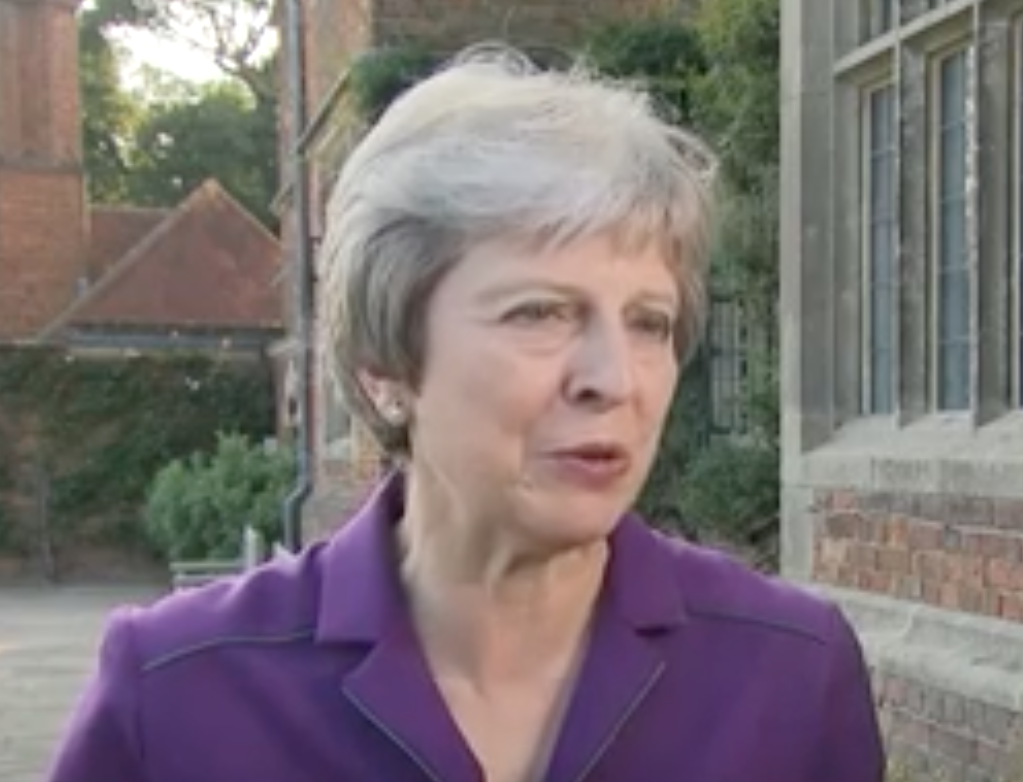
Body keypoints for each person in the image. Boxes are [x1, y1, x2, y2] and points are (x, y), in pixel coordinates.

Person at [46, 44, 885, 782]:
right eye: (539, 313)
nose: (613, 379)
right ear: (385, 366)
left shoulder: (788, 676)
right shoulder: (178, 692)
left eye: (648, 323)